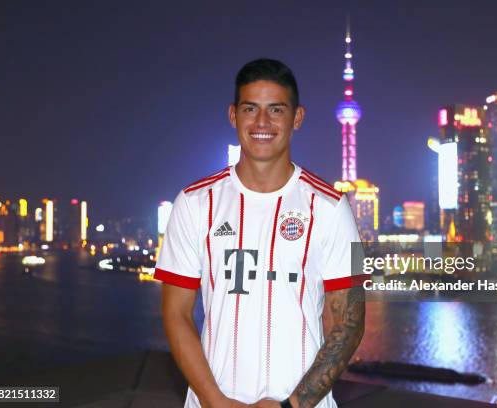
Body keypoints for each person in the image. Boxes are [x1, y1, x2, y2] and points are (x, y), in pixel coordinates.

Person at [154, 58, 365, 408]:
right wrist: (215, 401)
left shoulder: (334, 207)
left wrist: (291, 405)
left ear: (297, 118)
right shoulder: (192, 203)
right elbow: (175, 314)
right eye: (251, 108)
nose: (262, 122)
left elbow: (351, 322)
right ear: (233, 115)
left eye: (276, 110)